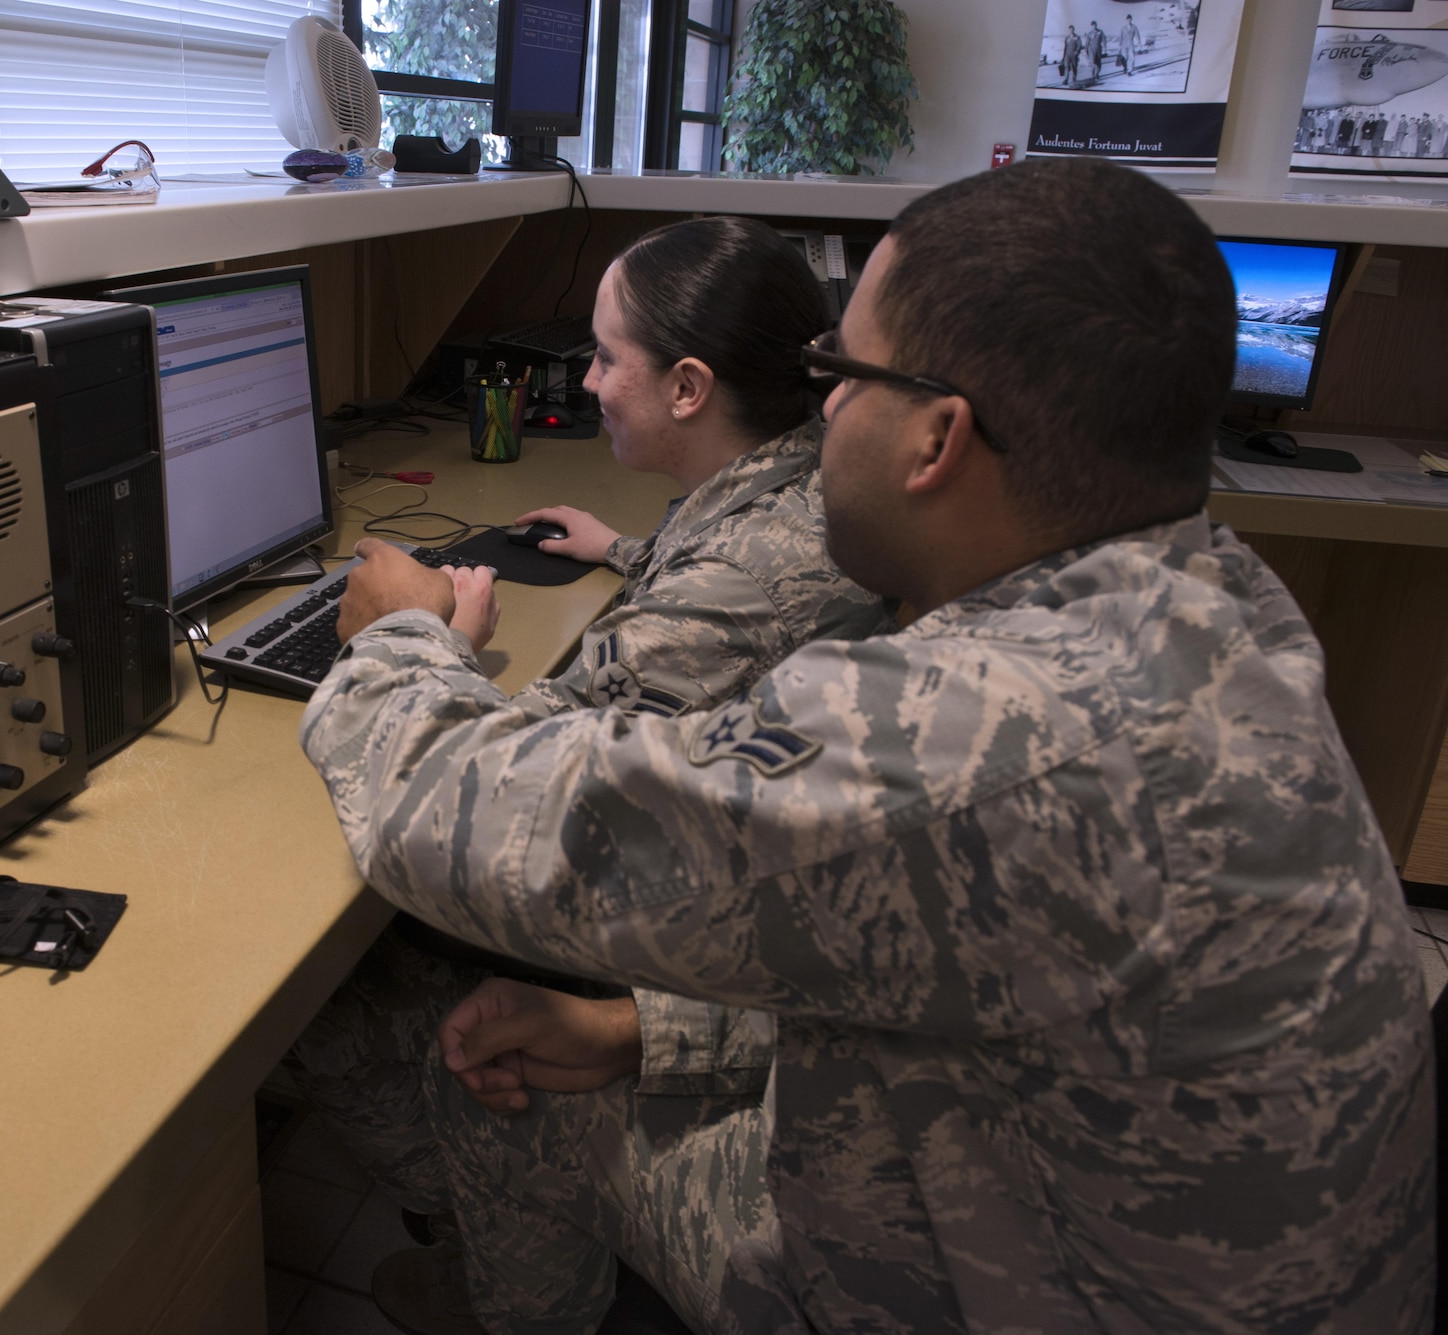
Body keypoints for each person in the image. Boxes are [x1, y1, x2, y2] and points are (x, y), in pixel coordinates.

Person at [301, 157, 1434, 1332]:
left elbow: (457, 819)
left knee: (502, 1101)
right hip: (1116, 1234)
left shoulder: (987, 733)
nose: (818, 405)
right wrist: (646, 1029)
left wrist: (403, 640)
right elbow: (941, 945)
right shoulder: (1207, 602)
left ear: (936, 437)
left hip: (1016, 1283)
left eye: (840, 371)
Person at [285, 216, 889, 1335]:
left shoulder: (748, 579)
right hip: (759, 911)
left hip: (715, 960)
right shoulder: (790, 489)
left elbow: (497, 787)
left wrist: (415, 637)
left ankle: (479, 1263)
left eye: (607, 357)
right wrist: (621, 553)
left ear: (689, 387)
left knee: (322, 994)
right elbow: (726, 585)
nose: (588, 378)